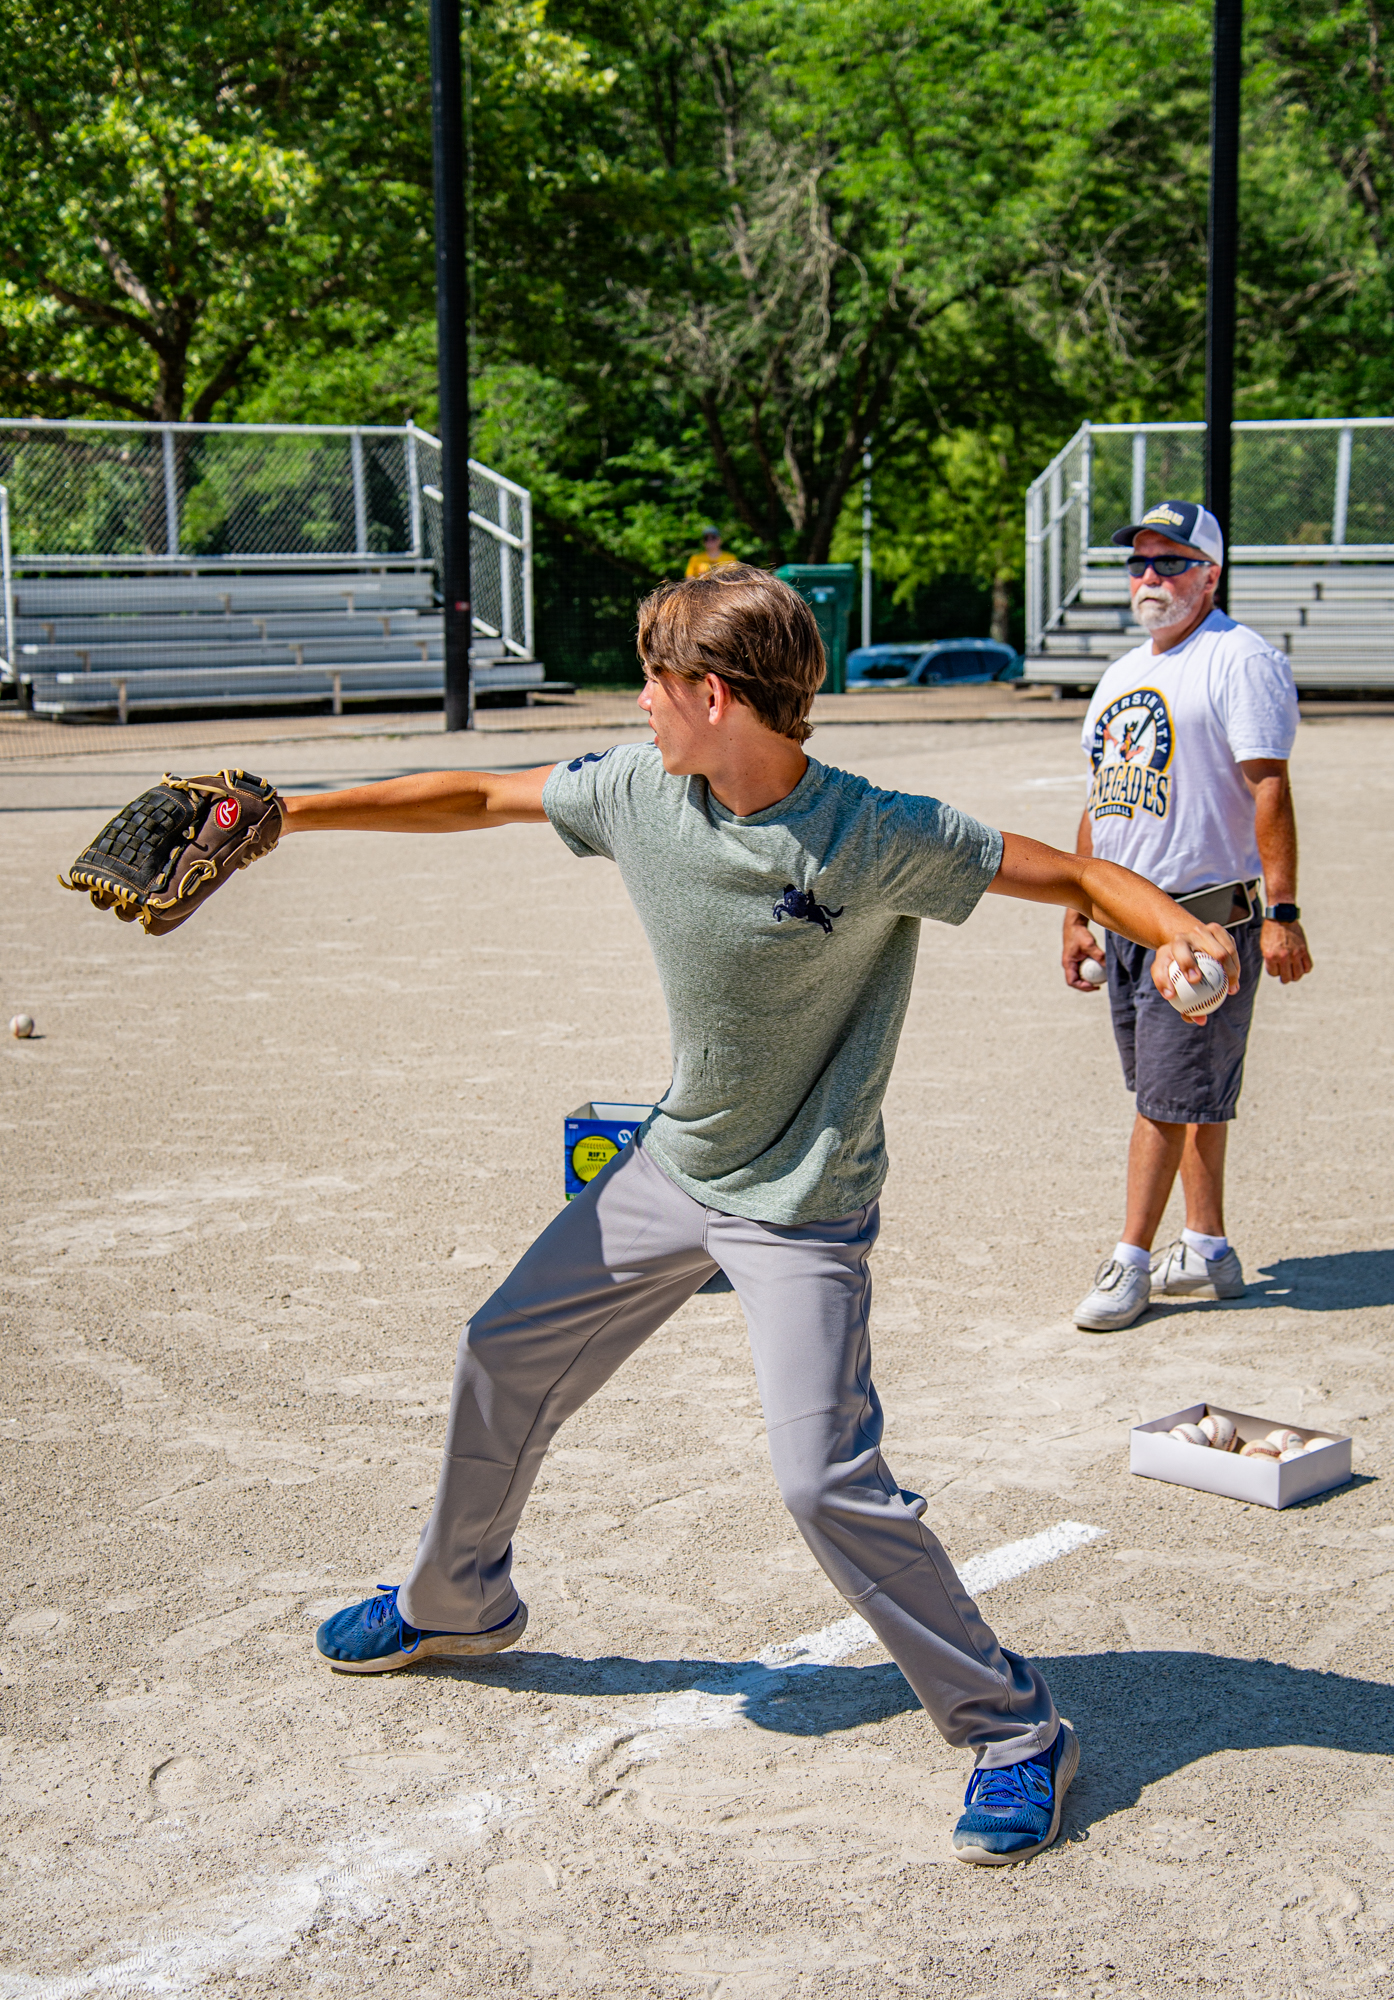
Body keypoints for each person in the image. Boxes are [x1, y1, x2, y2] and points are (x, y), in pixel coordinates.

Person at [286, 564, 1237, 1865]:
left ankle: (1015, 1730)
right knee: (502, 1346)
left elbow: (1070, 871)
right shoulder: (639, 790)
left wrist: (1182, 933)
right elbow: (474, 793)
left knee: (821, 1480)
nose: (640, 703)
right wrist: (288, 812)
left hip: (802, 1206)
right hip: (676, 1166)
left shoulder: (872, 831)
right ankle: (455, 1595)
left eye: (654, 681)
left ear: (713, 696)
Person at [1064, 500, 1311, 1333]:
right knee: (1183, 1090)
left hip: (1204, 924)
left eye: (1171, 563)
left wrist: (1280, 911)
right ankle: (1205, 1248)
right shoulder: (1123, 671)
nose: (1150, 578)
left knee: (1165, 1102)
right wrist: (1077, 912)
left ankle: (1130, 1260)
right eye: (1140, 563)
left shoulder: (1237, 659)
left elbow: (1267, 785)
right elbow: (1101, 800)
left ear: (1211, 573)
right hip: (1128, 920)